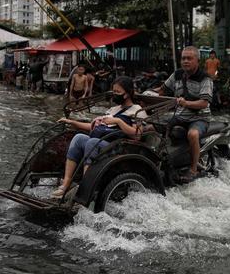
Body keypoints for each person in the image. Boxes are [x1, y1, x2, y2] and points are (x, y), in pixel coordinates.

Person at [51, 76, 147, 199]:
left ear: (127, 94)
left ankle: (85, 188)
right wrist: (72, 122)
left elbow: (137, 135)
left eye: (118, 92)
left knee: (92, 142)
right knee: (79, 137)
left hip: (119, 147)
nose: (114, 94)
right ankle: (66, 184)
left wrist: (118, 121)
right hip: (102, 142)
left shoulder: (137, 110)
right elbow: (93, 127)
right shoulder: (113, 109)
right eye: (113, 91)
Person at [157, 46, 214, 182]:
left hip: (200, 117)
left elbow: (204, 103)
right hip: (180, 116)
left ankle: (193, 169)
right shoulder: (177, 74)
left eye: (189, 58)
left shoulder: (205, 78)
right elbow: (162, 90)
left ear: (197, 61)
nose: (186, 61)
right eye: (183, 58)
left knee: (192, 134)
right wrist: (146, 95)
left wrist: (186, 103)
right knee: (154, 126)